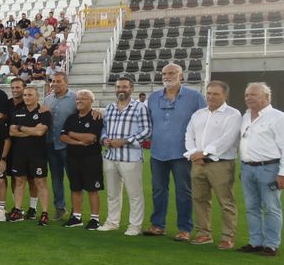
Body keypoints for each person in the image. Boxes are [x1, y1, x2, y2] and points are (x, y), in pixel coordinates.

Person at [145, 63, 205, 241]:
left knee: (183, 191)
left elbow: (203, 124)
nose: (167, 76)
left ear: (181, 76)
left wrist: (199, 150)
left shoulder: (195, 97)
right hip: (157, 153)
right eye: (164, 73)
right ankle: (157, 225)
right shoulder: (153, 97)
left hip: (183, 154)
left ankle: (185, 229)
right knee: (158, 190)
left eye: (172, 73)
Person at [238, 82, 284, 257]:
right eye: (247, 95)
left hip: (270, 169)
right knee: (251, 207)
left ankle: (271, 245)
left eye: (253, 95)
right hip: (247, 168)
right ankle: (255, 242)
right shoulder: (245, 117)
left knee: (272, 207)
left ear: (266, 97)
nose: (249, 98)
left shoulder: (279, 118)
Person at [184, 80, 242, 249]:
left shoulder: (233, 114)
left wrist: (205, 153)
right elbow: (189, 134)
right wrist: (194, 153)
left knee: (225, 201)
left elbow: (228, 139)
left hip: (221, 164)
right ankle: (203, 233)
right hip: (197, 164)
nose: (211, 97)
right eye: (208, 93)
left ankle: (228, 237)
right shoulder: (198, 114)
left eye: (215, 94)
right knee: (199, 199)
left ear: (225, 95)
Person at [101, 76, 150, 235]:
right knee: (112, 193)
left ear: (131, 89)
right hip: (110, 157)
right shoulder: (109, 107)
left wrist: (125, 141)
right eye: (118, 87)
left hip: (131, 158)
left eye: (124, 87)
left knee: (134, 194)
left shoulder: (139, 107)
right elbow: (104, 128)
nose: (121, 90)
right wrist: (104, 139)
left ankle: (135, 226)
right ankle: (112, 222)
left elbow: (147, 130)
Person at [59, 89, 105, 230]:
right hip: (73, 158)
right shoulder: (71, 118)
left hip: (91, 158)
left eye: (83, 98)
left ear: (91, 101)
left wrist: (72, 134)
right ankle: (76, 217)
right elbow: (63, 137)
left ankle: (95, 219)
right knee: (75, 188)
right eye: (78, 98)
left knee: (92, 189)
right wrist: (78, 141)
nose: (79, 101)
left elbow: (91, 138)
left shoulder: (96, 117)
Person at [7, 85, 52, 225]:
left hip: (38, 154)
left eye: (30, 95)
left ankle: (44, 213)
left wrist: (21, 128)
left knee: (40, 182)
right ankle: (18, 210)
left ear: (37, 97)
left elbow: (40, 132)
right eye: (25, 95)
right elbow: (11, 132)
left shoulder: (44, 113)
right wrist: (31, 130)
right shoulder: (18, 112)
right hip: (19, 153)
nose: (27, 97)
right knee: (19, 181)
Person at [40, 72, 77, 218]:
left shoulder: (75, 98)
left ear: (66, 82)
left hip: (68, 146)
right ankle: (60, 208)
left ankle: (76, 210)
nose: (55, 84)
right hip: (50, 145)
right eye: (53, 81)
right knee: (56, 178)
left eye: (58, 81)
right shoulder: (47, 99)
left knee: (73, 178)